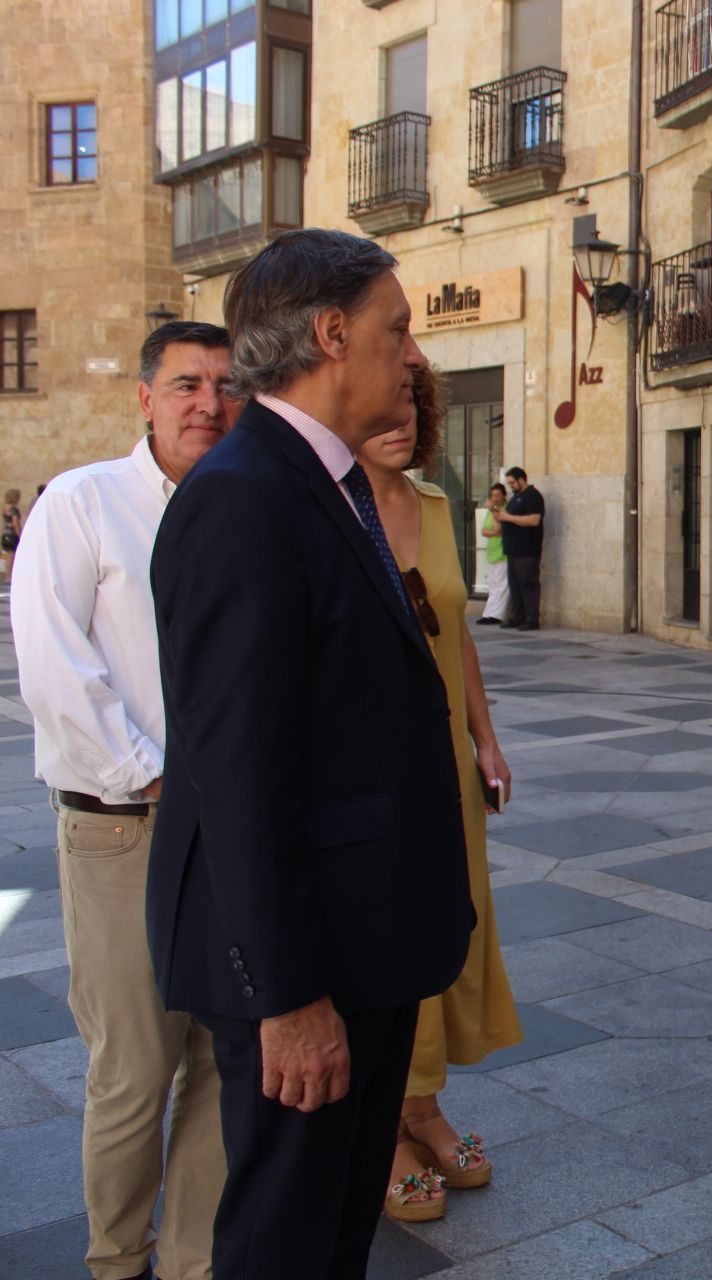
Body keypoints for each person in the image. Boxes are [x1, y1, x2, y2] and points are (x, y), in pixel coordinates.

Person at [146, 228, 475, 1280]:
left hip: (359, 947)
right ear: (332, 334)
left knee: (333, 1231)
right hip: (305, 970)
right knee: (284, 1240)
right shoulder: (245, 494)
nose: (412, 356)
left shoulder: (315, 478)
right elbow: (238, 773)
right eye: (397, 329)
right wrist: (288, 998)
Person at [11, 320, 241, 1280]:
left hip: (229, 833)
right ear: (144, 398)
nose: (208, 404)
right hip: (125, 830)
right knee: (134, 1071)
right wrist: (153, 774)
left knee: (226, 1067)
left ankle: (190, 1263)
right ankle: (116, 1262)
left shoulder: (246, 510)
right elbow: (56, 663)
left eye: (226, 387)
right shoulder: (83, 503)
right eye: (187, 384)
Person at [358, 368, 522, 1222]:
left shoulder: (430, 506)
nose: (399, 423)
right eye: (382, 409)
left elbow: (455, 629)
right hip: (369, 772)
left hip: (445, 769)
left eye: (411, 411)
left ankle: (422, 1105)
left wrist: (484, 739)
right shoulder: (329, 512)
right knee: (385, 933)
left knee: (449, 922)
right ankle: (384, 1124)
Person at [496, 465, 544, 630]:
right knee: (515, 585)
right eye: (509, 484)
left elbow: (534, 520)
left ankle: (532, 619)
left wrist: (508, 517)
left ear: (522, 480)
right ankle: (518, 616)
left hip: (527, 550)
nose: (511, 487)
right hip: (513, 550)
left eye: (512, 483)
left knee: (528, 584)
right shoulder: (515, 498)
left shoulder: (532, 496)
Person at [477, 482, 511, 625]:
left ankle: (497, 615)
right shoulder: (492, 512)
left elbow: (499, 529)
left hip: (503, 552)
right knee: (493, 585)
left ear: (504, 496)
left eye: (498, 495)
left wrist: (493, 512)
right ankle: (488, 613)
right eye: (492, 496)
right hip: (492, 552)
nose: (495, 498)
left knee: (502, 585)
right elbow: (484, 531)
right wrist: (493, 533)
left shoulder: (505, 510)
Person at [2, 487, 24, 581]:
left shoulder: (5, 508)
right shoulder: (14, 510)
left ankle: (8, 575)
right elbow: (16, 524)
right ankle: (9, 576)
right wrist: (20, 534)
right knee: (13, 556)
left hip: (5, 533)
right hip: (12, 534)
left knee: (8, 556)